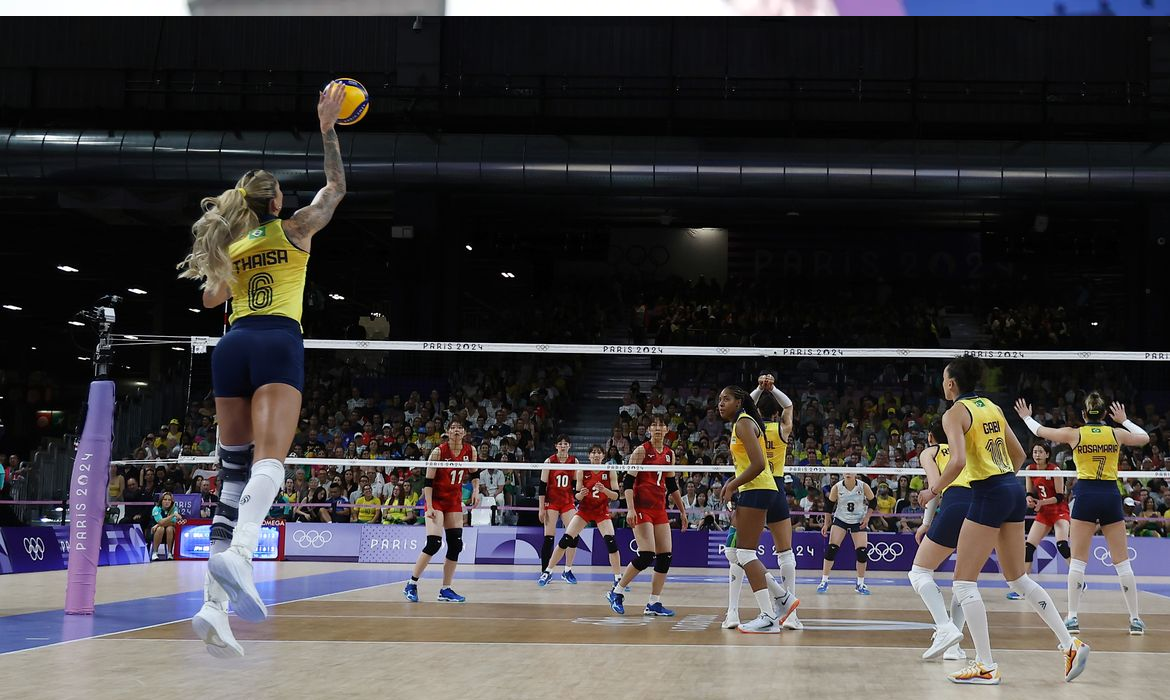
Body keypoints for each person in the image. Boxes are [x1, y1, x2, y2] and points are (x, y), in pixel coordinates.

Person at [181, 81, 347, 659]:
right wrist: (327, 128)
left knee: (231, 477)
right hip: (277, 339)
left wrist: (228, 250)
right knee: (270, 465)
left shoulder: (234, 243)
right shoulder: (294, 228)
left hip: (231, 345)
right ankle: (243, 553)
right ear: (277, 203)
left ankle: (212, 608)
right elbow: (336, 188)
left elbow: (209, 299)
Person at [932, 356, 1088, 685]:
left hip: (989, 493)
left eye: (944, 379)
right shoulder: (991, 406)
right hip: (1011, 489)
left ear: (951, 383)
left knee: (963, 582)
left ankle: (986, 665)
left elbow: (957, 460)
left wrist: (933, 489)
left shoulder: (954, 413)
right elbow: (1018, 454)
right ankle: (1069, 643)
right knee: (1017, 579)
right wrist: (1002, 483)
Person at [1016, 392, 1149, 636]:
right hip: (1109, 495)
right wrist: (1124, 420)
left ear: (1084, 414)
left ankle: (1073, 618)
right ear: (1104, 414)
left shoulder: (1074, 433)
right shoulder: (1115, 433)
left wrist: (1026, 417)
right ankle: (1135, 619)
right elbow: (1145, 438)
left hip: (1086, 495)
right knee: (1122, 563)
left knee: (1077, 561)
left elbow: (1040, 431)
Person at [724, 374, 802, 631]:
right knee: (776, 552)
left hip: (758, 486)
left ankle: (764, 611)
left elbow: (757, 464)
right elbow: (789, 406)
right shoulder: (778, 429)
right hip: (771, 487)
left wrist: (757, 390)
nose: (720, 404)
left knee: (741, 553)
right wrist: (772, 388)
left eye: (726, 399)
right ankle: (784, 603)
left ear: (741, 402)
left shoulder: (746, 424)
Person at [607, 414, 688, 616]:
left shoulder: (669, 454)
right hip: (642, 508)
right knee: (646, 555)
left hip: (659, 508)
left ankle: (653, 602)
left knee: (665, 556)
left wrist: (682, 511)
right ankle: (616, 592)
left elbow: (671, 485)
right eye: (654, 425)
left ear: (667, 428)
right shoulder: (641, 450)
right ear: (650, 429)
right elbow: (627, 483)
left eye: (661, 424)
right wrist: (631, 509)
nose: (658, 428)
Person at [906, 419, 969, 661]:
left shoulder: (931, 451)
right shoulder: (965, 448)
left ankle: (945, 627)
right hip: (983, 509)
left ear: (931, 437)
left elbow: (934, 487)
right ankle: (954, 648)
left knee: (919, 572)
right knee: (965, 581)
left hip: (955, 506)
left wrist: (925, 522)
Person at [404, 418, 480, 603]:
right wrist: (429, 506)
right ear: (447, 431)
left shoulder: (470, 450)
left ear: (464, 432)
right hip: (437, 501)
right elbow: (428, 482)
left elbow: (475, 473)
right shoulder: (438, 451)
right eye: (453, 427)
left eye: (459, 428)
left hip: (454, 501)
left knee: (456, 545)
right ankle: (411, 584)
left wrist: (476, 491)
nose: (456, 430)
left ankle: (445, 589)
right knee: (434, 543)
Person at [543, 445, 624, 586]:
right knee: (565, 540)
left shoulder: (610, 471)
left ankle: (618, 578)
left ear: (603, 456)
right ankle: (548, 572)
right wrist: (581, 494)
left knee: (611, 543)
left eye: (599, 453)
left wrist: (605, 490)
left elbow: (616, 496)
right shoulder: (582, 471)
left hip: (601, 512)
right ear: (589, 456)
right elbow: (577, 496)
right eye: (593, 453)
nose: (596, 455)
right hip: (584, 511)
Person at [1006, 442, 1071, 599]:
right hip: (1044, 513)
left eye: (1040, 452)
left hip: (1059, 511)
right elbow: (1030, 492)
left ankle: (1079, 579)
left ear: (1047, 454)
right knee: (1028, 548)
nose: (1037, 455)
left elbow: (1060, 496)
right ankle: (1023, 589)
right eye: (1035, 452)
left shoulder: (1055, 470)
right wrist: (1029, 499)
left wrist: (1042, 502)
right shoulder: (1030, 469)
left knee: (1062, 546)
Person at [816, 471, 874, 595]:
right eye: (845, 471)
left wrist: (867, 518)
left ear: (855, 474)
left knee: (862, 552)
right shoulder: (837, 487)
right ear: (842, 473)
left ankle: (860, 583)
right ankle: (824, 581)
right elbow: (828, 506)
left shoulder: (863, 486)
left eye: (851, 471)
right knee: (832, 548)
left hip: (858, 520)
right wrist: (826, 524)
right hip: (841, 519)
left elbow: (873, 502)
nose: (848, 473)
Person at [537, 435, 581, 585]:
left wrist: (579, 498)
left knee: (573, 535)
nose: (563, 446)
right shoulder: (549, 461)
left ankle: (567, 570)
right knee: (549, 537)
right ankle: (545, 572)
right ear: (556, 446)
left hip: (567, 502)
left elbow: (576, 485)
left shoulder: (574, 461)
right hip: (552, 502)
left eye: (566, 444)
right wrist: (541, 508)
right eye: (560, 444)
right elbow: (542, 487)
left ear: (570, 446)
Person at [150, 492, 181, 561]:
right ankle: (155, 553)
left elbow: (173, 523)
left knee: (170, 529)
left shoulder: (174, 508)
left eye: (169, 500)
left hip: (169, 532)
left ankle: (170, 553)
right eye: (165, 499)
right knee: (160, 528)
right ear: (161, 500)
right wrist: (172, 515)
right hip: (155, 532)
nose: (167, 502)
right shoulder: (156, 508)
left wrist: (158, 524)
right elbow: (161, 522)